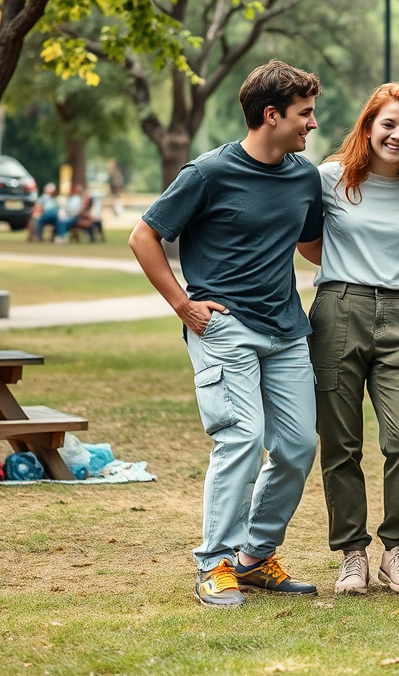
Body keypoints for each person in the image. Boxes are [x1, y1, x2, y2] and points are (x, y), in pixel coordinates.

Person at [129, 59, 324, 608]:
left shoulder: (302, 175)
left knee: (297, 446)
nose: (311, 124)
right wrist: (182, 304)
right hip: (224, 327)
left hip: (286, 329)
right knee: (240, 437)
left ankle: (256, 557)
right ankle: (214, 563)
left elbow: (312, 244)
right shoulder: (208, 172)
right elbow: (144, 236)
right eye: (304, 114)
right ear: (271, 115)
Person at [297, 83, 399, 596]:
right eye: (389, 125)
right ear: (368, 126)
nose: (397, 135)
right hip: (339, 311)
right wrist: (348, 271)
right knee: (340, 441)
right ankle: (352, 553)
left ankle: (396, 549)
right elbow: (310, 243)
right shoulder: (329, 179)